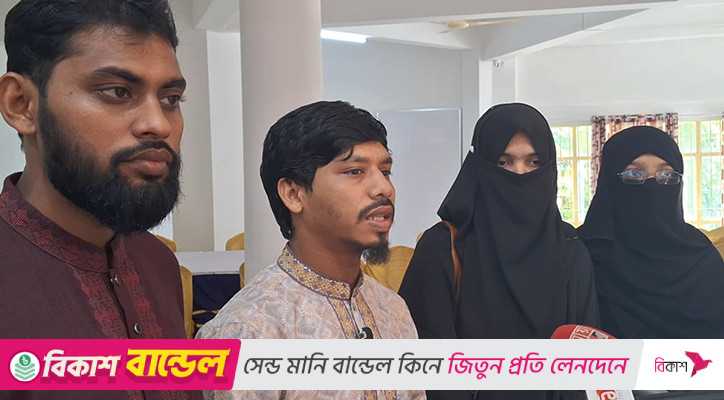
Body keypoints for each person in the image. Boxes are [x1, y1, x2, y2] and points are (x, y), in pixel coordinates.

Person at [0, 1, 196, 398]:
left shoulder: (157, 262)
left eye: (171, 99)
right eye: (117, 92)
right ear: (21, 105)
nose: (158, 124)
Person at [197, 101, 424, 400]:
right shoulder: (248, 330)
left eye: (386, 170)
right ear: (294, 194)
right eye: (355, 171)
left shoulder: (393, 310)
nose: (383, 188)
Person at [399, 103, 598, 400]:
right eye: (504, 162)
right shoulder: (442, 247)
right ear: (479, 167)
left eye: (533, 162)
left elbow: (584, 364)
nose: (520, 174)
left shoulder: (569, 248)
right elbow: (428, 366)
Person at [578, 125, 724, 338]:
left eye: (666, 174)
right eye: (634, 173)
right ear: (608, 181)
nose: (653, 185)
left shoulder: (700, 256)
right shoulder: (582, 255)